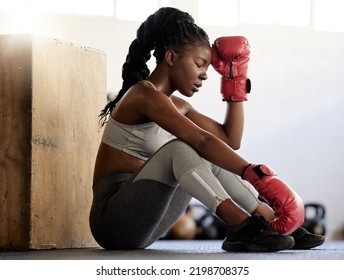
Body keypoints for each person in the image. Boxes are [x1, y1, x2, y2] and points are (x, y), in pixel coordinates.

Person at [89, 7, 324, 252]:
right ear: (171, 58)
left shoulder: (178, 106)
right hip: (112, 221)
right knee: (183, 147)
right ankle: (242, 226)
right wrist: (259, 175)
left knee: (209, 151)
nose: (204, 75)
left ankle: (272, 222)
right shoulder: (142, 95)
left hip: (145, 221)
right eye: (200, 64)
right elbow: (201, 140)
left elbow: (230, 139)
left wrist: (235, 83)